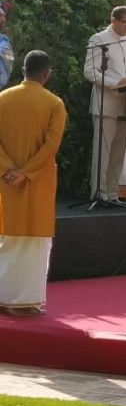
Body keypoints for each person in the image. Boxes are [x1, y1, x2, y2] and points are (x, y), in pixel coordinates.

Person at [0, 51, 67, 317]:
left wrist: (8, 169)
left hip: (4, 183)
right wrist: (26, 172)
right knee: (35, 245)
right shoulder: (54, 103)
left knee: (5, 238)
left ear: (23, 70)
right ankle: (27, 301)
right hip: (36, 184)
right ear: (46, 74)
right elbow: (51, 146)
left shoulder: (2, 99)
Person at [83, 6, 126, 202]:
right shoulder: (98, 39)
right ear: (113, 20)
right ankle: (99, 193)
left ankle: (113, 194)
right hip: (106, 102)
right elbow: (90, 72)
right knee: (103, 152)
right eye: (125, 22)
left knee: (119, 151)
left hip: (125, 102)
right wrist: (115, 84)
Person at [0, 7, 13, 89]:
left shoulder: (4, 41)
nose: (3, 19)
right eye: (0, 16)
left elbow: (10, 62)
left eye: (4, 16)